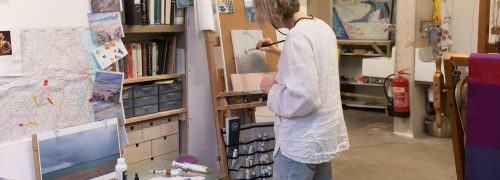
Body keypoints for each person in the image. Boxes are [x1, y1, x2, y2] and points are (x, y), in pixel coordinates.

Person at [253, 0, 349, 179]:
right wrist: (279, 51)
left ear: (272, 11)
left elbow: (305, 98)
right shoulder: (321, 27)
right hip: (321, 138)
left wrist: (271, 90)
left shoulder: (297, 36)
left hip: (300, 144)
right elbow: (316, 65)